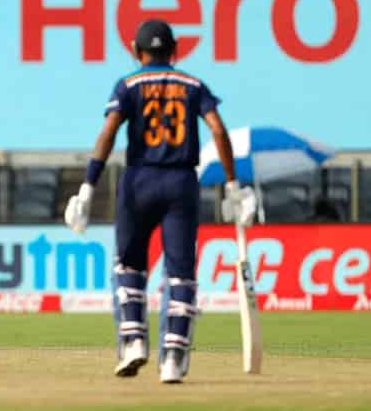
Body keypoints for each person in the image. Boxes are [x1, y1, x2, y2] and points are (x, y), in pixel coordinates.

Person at [64, 19, 255, 383]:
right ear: (175, 50)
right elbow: (217, 129)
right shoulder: (193, 85)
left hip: (139, 181)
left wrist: (88, 186)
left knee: (129, 266)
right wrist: (233, 186)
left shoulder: (128, 85)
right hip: (181, 182)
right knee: (181, 272)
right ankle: (173, 359)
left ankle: (134, 341)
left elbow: (109, 131)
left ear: (136, 51)